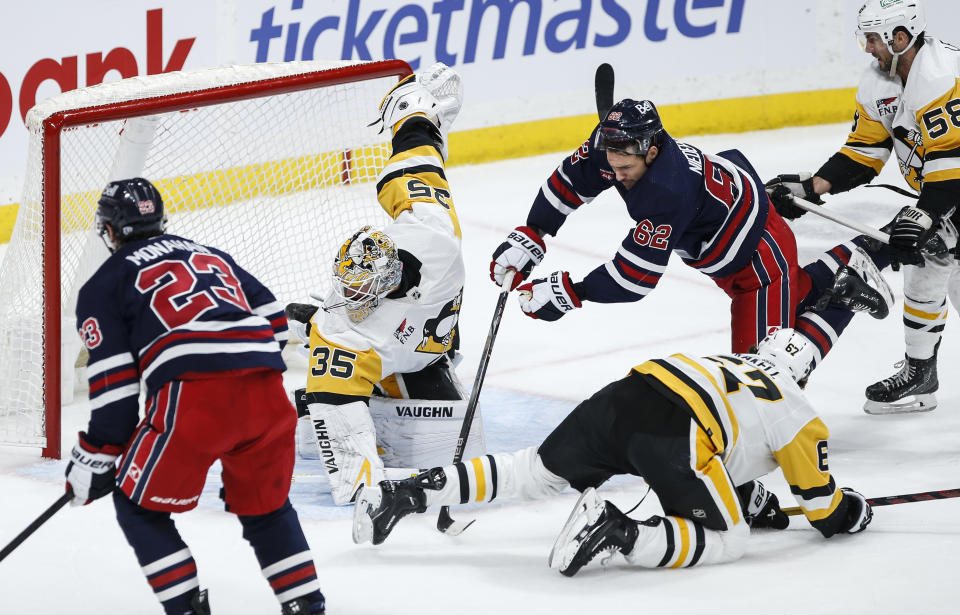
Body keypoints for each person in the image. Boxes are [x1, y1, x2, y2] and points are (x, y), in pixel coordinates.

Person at [352, 328, 873, 576]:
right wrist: (853, 510)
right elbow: (824, 511)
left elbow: (732, 447)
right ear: (803, 372)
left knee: (533, 469)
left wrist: (754, 501)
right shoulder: (800, 411)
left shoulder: (729, 360)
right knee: (728, 539)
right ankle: (619, 531)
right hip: (679, 433)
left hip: (631, 395)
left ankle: (405, 493)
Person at [488, 96, 896, 375]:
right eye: (609, 162)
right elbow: (568, 182)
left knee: (765, 382)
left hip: (757, 258)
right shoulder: (614, 149)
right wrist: (532, 232)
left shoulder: (667, 191)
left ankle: (845, 295)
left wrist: (569, 292)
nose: (615, 173)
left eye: (625, 167)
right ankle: (853, 259)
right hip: (731, 230)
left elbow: (635, 278)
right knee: (794, 303)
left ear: (651, 150)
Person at [65, 178, 325, 615]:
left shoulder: (102, 285)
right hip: (266, 393)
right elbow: (276, 321)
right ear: (160, 219)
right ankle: (308, 608)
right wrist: (240, 366)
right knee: (268, 508)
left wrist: (98, 454)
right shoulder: (209, 255)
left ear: (109, 230)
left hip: (194, 401)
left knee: (137, 505)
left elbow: (117, 388)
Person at [283, 62, 475, 507]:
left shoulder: (434, 238)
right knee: (330, 365)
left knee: (446, 422)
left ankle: (302, 324)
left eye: (358, 292)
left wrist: (416, 115)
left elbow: (418, 163)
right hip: (385, 352)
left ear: (387, 281)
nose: (349, 298)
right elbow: (338, 410)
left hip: (422, 340)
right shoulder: (343, 327)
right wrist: (364, 486)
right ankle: (299, 326)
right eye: (345, 289)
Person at [766, 0, 960, 414]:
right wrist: (811, 187)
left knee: (930, 259)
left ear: (900, 38)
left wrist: (924, 213)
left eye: (874, 39)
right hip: (946, 200)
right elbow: (866, 150)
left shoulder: (940, 74)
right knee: (924, 275)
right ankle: (921, 372)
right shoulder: (881, 80)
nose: (868, 48)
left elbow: (952, 159)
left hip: (952, 193)